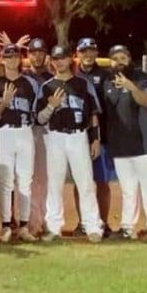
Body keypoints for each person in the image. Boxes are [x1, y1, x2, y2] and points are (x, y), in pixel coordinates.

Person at [37, 45, 104, 243]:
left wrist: (95, 138)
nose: (60, 61)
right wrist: (51, 106)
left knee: (85, 183)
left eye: (63, 58)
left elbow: (92, 114)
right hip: (55, 137)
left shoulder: (83, 85)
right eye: (56, 58)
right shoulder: (47, 86)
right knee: (54, 184)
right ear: (52, 61)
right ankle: (54, 227)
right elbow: (39, 119)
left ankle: (93, 226)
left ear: (70, 59)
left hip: (78, 136)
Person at [102, 45, 147, 241]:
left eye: (123, 57)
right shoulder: (107, 82)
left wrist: (131, 86)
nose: (119, 62)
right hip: (121, 145)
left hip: (145, 144)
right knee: (128, 190)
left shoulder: (142, 78)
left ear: (129, 59)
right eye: (115, 58)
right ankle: (127, 227)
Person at [0, 44, 39, 243]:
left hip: (25, 131)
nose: (11, 60)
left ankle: (24, 226)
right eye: (7, 57)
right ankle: (7, 226)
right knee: (5, 181)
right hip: (4, 133)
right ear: (2, 59)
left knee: (26, 180)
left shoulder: (30, 83)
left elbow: (35, 112)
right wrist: (5, 102)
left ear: (20, 59)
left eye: (15, 56)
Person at [73, 37, 113, 237]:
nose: (88, 55)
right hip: (77, 136)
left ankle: (103, 223)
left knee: (102, 182)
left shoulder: (105, 75)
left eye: (91, 51)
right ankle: (83, 222)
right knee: (80, 182)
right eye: (83, 51)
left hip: (100, 136)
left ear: (97, 53)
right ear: (77, 54)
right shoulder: (71, 73)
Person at [23, 38, 53, 236]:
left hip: (48, 132)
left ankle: (48, 220)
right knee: (30, 179)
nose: (37, 55)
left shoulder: (52, 77)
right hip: (27, 131)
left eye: (41, 52)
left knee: (47, 178)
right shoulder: (23, 77)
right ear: (28, 56)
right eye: (33, 52)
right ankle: (33, 222)